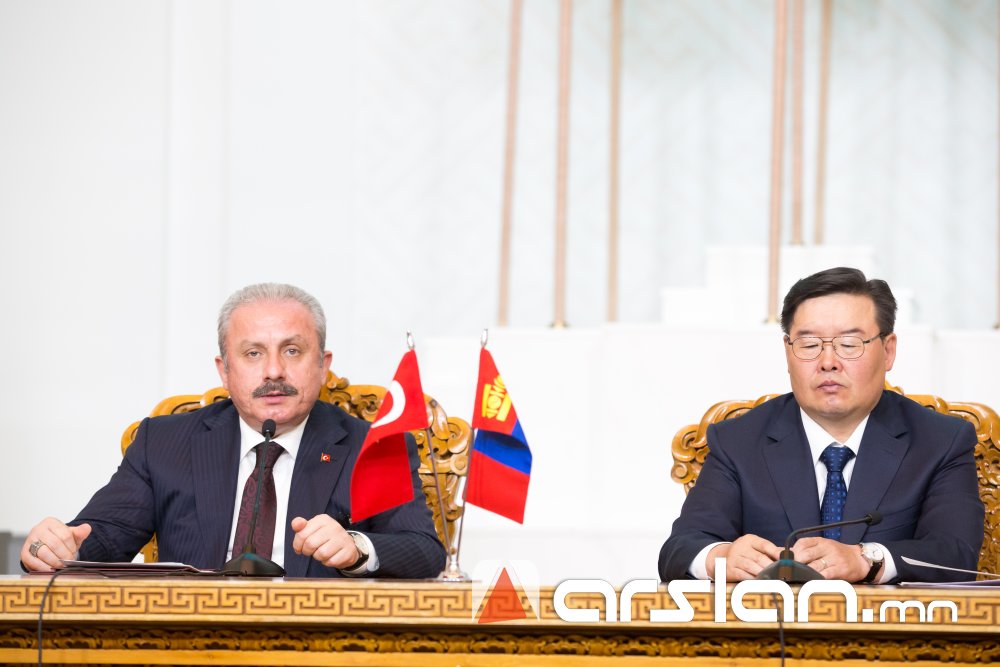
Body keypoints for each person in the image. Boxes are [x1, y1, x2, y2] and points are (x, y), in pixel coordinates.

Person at [21, 283, 445, 578]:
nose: (274, 371)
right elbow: (100, 539)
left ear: (323, 365)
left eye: (292, 351)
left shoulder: (373, 446)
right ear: (224, 371)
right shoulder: (163, 443)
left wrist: (356, 548)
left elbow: (424, 550)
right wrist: (55, 547)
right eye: (253, 353)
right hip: (190, 644)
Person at [659, 267, 984, 583]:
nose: (828, 362)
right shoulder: (738, 441)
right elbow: (680, 548)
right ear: (788, 352)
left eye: (849, 344)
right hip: (775, 619)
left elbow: (956, 554)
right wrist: (721, 557)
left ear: (888, 351)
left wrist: (867, 560)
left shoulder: (941, 441)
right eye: (810, 345)